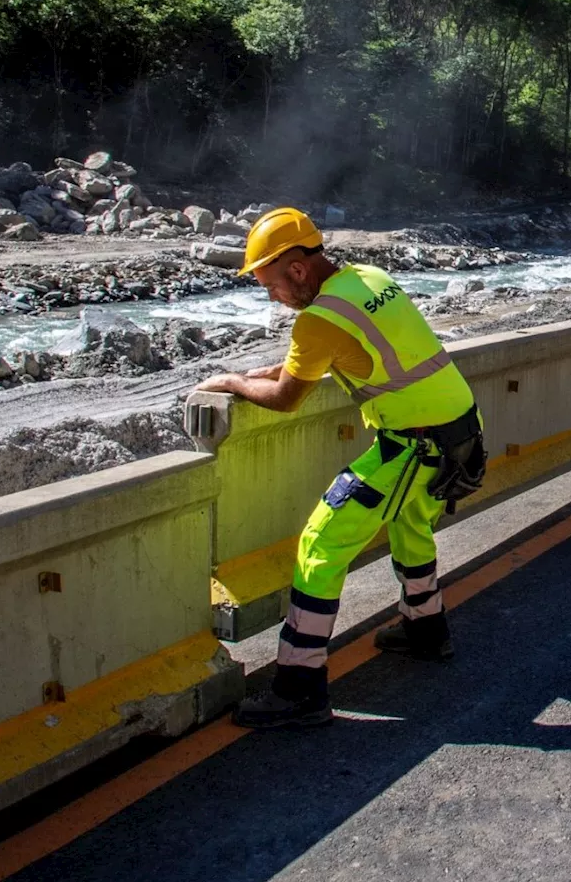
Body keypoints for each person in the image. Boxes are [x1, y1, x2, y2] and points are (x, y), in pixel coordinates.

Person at [194, 208, 486, 729]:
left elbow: (286, 397)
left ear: (298, 270)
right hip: (460, 427)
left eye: (270, 285)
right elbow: (314, 361)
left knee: (318, 545)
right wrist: (253, 370)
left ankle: (299, 689)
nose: (272, 297)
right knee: (409, 523)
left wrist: (232, 383)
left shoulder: (319, 320)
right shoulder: (367, 280)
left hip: (413, 445)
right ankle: (426, 629)